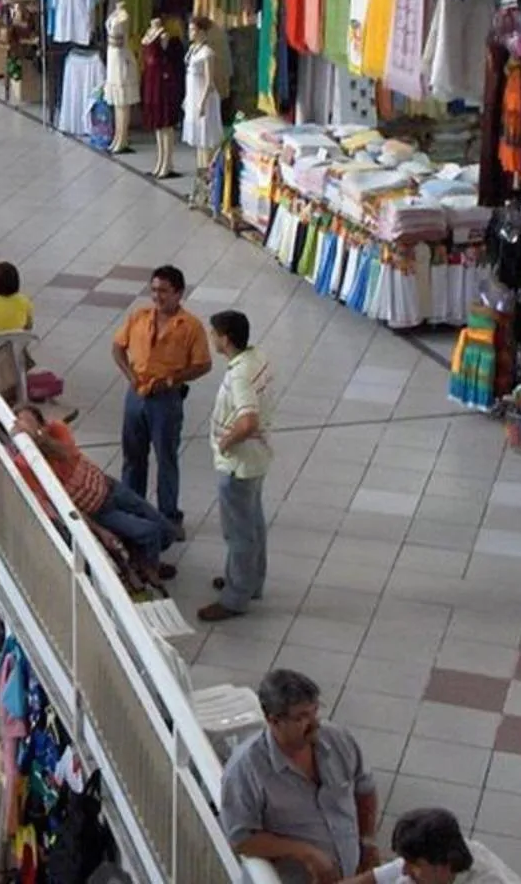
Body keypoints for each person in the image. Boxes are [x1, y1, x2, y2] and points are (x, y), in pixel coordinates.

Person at [222, 668, 379, 884]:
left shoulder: (338, 739)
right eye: (301, 717)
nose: (314, 723)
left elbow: (365, 789)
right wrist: (304, 853)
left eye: (315, 711)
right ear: (273, 720)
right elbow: (241, 838)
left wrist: (367, 841)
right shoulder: (246, 769)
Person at [14, 405, 175, 578]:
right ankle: (149, 571)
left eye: (30, 423)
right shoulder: (25, 465)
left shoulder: (57, 430)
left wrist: (38, 438)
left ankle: (141, 555)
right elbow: (59, 506)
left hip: (110, 487)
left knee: (166, 530)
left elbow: (65, 453)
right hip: (98, 511)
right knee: (149, 532)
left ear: (42, 425)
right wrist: (99, 530)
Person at [111, 264, 212, 531]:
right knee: (133, 456)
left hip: (167, 400)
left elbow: (203, 364)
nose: (157, 296)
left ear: (179, 293)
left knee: (166, 458)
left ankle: (169, 517)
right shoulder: (139, 317)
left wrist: (171, 380)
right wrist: (131, 376)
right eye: (154, 290)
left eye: (164, 291)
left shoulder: (191, 327)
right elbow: (117, 348)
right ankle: (134, 510)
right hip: (136, 395)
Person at [200, 309, 277, 622]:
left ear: (226, 339)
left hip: (238, 463)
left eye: (214, 333)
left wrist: (225, 442)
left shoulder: (239, 376)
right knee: (253, 522)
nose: (211, 338)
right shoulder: (257, 358)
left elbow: (248, 421)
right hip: (257, 458)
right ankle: (250, 581)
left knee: (238, 531)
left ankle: (235, 597)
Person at [344, 808, 521, 884]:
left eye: (414, 865)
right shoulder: (436, 852)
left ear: (445, 865)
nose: (405, 871)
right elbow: (373, 878)